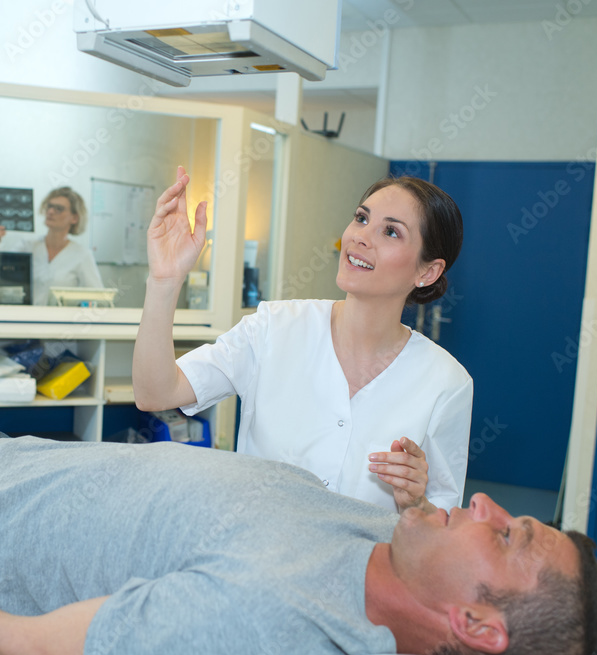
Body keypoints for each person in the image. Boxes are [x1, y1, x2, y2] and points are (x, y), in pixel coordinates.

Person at [0, 391, 597, 655]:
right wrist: (422, 511)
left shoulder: (266, 620)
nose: (483, 504)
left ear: (479, 625)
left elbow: (20, 647)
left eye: (510, 536)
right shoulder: (365, 527)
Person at [133, 166, 473, 513]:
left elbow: (443, 526)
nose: (361, 236)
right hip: (256, 558)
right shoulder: (274, 328)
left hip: (365, 565)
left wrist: (416, 502)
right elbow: (156, 392)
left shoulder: (446, 382)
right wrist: (165, 279)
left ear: (427, 272)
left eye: (390, 231)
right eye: (360, 218)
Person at [0, 186, 104, 306]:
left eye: (59, 209)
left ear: (74, 218)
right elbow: (2, 275)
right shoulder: (27, 246)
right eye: (49, 206)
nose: (51, 212)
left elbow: (98, 297)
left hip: (61, 322)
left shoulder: (82, 255)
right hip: (26, 319)